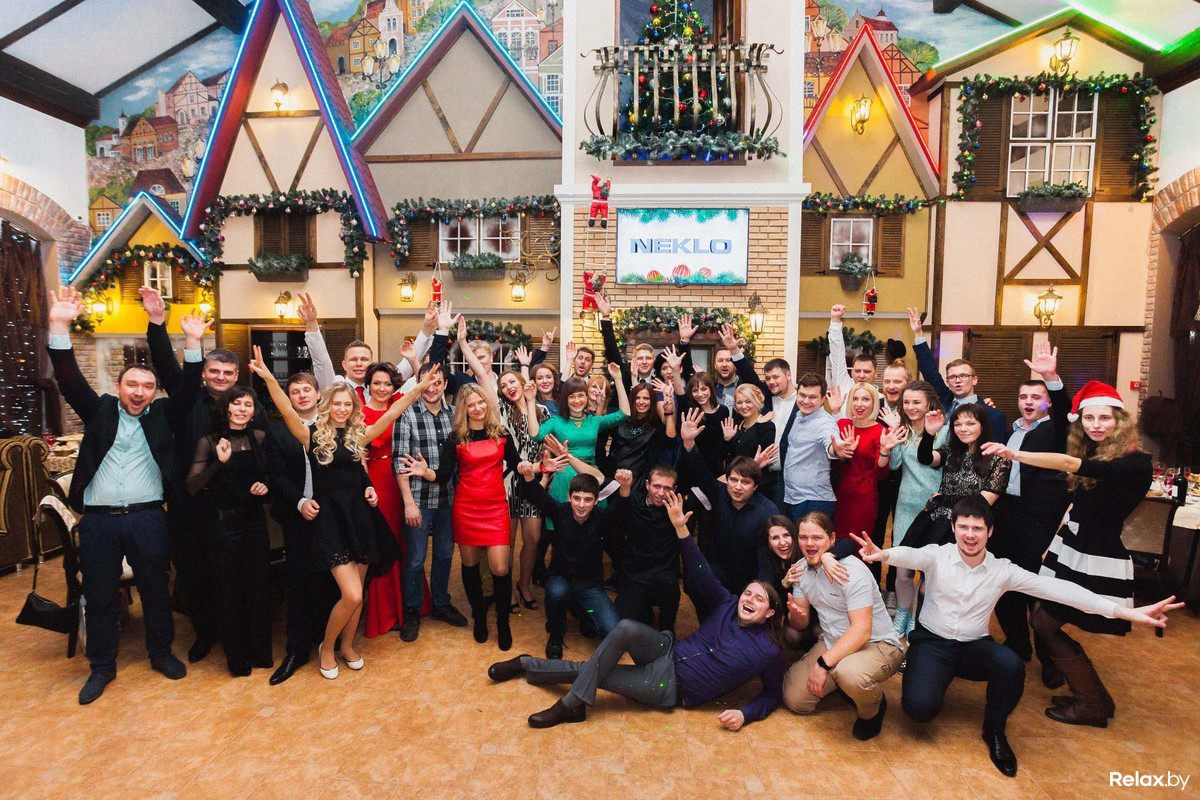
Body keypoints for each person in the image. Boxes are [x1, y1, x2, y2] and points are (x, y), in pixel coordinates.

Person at [850, 497, 1183, 777]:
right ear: (953, 529)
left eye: (977, 528)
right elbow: (910, 555)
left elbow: (1060, 590)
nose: (970, 535)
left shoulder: (1002, 570)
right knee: (919, 710)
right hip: (933, 644)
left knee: (1011, 664)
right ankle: (932, 673)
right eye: (964, 527)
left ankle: (994, 730)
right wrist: (884, 554)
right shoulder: (937, 556)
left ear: (989, 532)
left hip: (974, 647)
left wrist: (1125, 612)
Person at [487, 492, 787, 731]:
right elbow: (700, 569)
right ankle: (570, 702)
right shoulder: (726, 604)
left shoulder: (768, 651)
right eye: (748, 593)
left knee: (593, 672)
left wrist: (745, 714)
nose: (749, 599)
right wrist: (681, 528)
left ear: (770, 613)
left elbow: (772, 695)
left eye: (758, 599)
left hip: (671, 686)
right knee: (625, 627)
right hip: (666, 649)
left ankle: (542, 679)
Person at [46, 287, 204, 704]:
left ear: (154, 391)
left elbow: (190, 390)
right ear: (118, 386)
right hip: (98, 521)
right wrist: (59, 325)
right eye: (132, 384)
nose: (139, 391)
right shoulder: (98, 410)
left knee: (155, 589)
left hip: (148, 517)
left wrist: (191, 342)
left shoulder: (164, 414)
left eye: (147, 386)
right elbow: (68, 378)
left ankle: (161, 653)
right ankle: (101, 666)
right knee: (99, 594)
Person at [982, 380, 1154, 727]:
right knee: (1044, 621)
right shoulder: (1100, 451)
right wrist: (1056, 539)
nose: (1096, 425)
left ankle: (1092, 701)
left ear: (1120, 420)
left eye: (1104, 418)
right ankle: (1093, 698)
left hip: (1097, 556)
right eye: (1089, 418)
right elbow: (1077, 504)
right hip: (1073, 547)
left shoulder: (1134, 462)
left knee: (1044, 622)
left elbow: (1066, 463)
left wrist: (1015, 454)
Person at [251, 347, 430, 678]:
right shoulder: (310, 436)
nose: (342, 408)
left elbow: (392, 413)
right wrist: (268, 378)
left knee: (358, 595)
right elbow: (286, 409)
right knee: (351, 593)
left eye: (348, 404)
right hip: (330, 522)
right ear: (327, 405)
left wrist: (417, 388)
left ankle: (348, 646)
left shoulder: (359, 435)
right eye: (337, 404)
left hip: (360, 519)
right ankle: (327, 647)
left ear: (353, 408)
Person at [141, 287, 266, 665]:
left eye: (227, 373)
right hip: (191, 502)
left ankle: (236, 634)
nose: (221, 377)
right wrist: (158, 323)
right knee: (194, 572)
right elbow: (165, 364)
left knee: (233, 575)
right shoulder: (186, 399)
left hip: (236, 507)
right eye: (214, 371)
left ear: (236, 376)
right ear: (204, 374)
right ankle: (204, 632)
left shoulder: (250, 406)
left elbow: (262, 450)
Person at [398, 382, 523, 650]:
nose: (477, 408)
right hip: (467, 509)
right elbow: (443, 475)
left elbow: (516, 464)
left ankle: (503, 622)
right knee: (470, 565)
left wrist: (532, 468)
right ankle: (480, 617)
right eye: (471, 405)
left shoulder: (501, 433)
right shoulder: (456, 438)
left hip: (496, 509)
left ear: (487, 403)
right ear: (463, 409)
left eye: (480, 402)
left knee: (500, 568)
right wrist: (425, 471)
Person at [781, 511, 904, 741]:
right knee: (795, 700)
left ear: (832, 540)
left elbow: (862, 631)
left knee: (849, 674)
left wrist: (822, 665)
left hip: (876, 643)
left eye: (817, 537)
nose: (809, 544)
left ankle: (874, 708)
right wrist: (796, 616)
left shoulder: (851, 571)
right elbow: (802, 622)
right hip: (833, 640)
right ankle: (843, 682)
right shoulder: (800, 569)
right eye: (803, 537)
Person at [989, 341, 1070, 688]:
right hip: (1006, 516)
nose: (1029, 402)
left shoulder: (1055, 431)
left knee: (1040, 591)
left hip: (1039, 521)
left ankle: (1050, 660)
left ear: (1047, 402)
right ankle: (1018, 643)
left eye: (1036, 397)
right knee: (1005, 585)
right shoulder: (1010, 431)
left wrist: (1051, 377)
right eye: (1024, 397)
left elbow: (1066, 411)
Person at [184, 387, 272, 677]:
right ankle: (237, 659)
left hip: (255, 523)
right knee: (229, 590)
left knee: (258, 587)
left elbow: (267, 476)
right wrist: (218, 464)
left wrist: (265, 486)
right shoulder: (209, 442)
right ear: (226, 408)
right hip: (223, 524)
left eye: (248, 404)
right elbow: (193, 486)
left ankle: (260, 653)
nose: (243, 409)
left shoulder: (259, 437)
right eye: (237, 403)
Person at [264, 372, 335, 684]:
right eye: (295, 391)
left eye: (307, 389)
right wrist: (300, 502)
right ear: (288, 398)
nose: (302, 395)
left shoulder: (334, 425)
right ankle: (295, 650)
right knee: (297, 583)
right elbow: (277, 475)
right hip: (297, 516)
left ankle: (328, 642)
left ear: (318, 394)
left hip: (332, 517)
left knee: (330, 581)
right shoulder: (279, 432)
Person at [392, 363, 469, 642]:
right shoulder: (407, 414)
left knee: (445, 555)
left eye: (438, 382)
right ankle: (412, 611)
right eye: (427, 382)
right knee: (415, 560)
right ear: (419, 384)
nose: (432, 388)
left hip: (449, 499)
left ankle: (440, 603)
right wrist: (408, 503)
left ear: (445, 385)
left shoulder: (455, 415)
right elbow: (399, 463)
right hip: (419, 500)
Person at [519, 460, 618, 659]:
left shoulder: (602, 518)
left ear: (596, 501)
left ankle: (578, 609)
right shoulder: (561, 511)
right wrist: (529, 475)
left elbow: (622, 508)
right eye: (577, 498)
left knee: (611, 629)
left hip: (589, 584)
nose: (581, 505)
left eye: (588, 500)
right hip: (561, 578)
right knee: (556, 593)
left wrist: (624, 487)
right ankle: (556, 634)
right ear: (569, 497)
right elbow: (538, 497)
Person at [361, 361, 431, 639]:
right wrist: (368, 486)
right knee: (386, 542)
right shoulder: (360, 413)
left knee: (409, 542)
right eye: (376, 383)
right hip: (380, 482)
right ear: (368, 385)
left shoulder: (401, 404)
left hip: (407, 477)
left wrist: (416, 360)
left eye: (387, 384)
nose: (382, 388)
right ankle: (387, 613)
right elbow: (360, 456)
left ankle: (412, 606)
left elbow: (421, 386)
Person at [679, 408, 779, 599]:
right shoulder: (719, 493)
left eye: (745, 482)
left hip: (748, 580)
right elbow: (700, 472)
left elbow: (766, 562)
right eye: (733, 480)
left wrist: (759, 594)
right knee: (693, 584)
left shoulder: (768, 512)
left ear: (755, 486)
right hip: (719, 574)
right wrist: (689, 442)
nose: (738, 487)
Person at [884, 381, 946, 634]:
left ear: (929, 403)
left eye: (916, 402)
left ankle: (918, 618)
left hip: (934, 509)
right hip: (906, 507)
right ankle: (903, 614)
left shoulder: (943, 430)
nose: (910, 407)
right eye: (906, 402)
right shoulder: (904, 430)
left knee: (929, 571)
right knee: (903, 572)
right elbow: (894, 466)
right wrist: (893, 437)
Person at [906, 403, 1009, 548]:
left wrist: (942, 499)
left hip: (970, 526)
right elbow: (925, 459)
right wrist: (929, 434)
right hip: (939, 520)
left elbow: (982, 501)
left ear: (983, 425)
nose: (963, 429)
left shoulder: (999, 458)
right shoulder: (951, 451)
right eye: (957, 424)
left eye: (970, 424)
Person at [299, 292, 435, 397]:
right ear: (344, 365)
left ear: (371, 364)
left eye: (364, 359)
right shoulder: (335, 386)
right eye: (354, 359)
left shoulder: (380, 386)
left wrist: (427, 328)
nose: (359, 363)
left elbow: (407, 365)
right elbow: (322, 363)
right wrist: (311, 324)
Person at [495, 367, 551, 609]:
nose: (509, 387)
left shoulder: (542, 410)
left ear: (521, 381)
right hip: (507, 481)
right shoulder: (500, 410)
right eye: (504, 385)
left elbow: (546, 446)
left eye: (512, 381)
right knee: (507, 541)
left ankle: (524, 585)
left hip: (534, 479)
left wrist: (544, 479)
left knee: (533, 539)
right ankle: (506, 591)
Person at [534, 364, 629, 505]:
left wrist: (618, 379)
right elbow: (535, 435)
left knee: (595, 515)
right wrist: (530, 400)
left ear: (586, 397)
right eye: (572, 397)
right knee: (564, 515)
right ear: (565, 400)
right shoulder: (556, 422)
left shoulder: (594, 421)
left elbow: (624, 413)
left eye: (581, 396)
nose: (577, 400)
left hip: (590, 474)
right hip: (565, 476)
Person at [907, 307, 1007, 442]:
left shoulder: (991, 414)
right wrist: (918, 333)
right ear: (948, 382)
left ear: (974, 380)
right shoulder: (944, 400)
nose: (958, 380)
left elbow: (995, 450)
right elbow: (929, 371)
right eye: (953, 377)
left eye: (964, 376)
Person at [611, 464, 683, 633]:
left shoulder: (678, 510)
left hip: (662, 577)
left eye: (667, 488)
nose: (660, 493)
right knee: (621, 626)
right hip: (635, 577)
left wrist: (680, 523)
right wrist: (624, 488)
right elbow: (614, 522)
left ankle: (667, 630)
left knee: (669, 582)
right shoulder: (634, 502)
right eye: (656, 486)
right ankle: (644, 610)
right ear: (647, 484)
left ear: (674, 489)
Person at [830, 383, 891, 537]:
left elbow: (881, 473)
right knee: (837, 539)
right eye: (855, 399)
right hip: (840, 494)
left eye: (865, 399)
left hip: (864, 497)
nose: (859, 404)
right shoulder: (843, 424)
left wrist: (885, 451)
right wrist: (844, 452)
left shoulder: (880, 431)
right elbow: (834, 462)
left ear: (874, 403)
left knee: (858, 541)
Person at [779, 373, 840, 522]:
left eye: (812, 397)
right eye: (802, 395)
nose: (806, 401)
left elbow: (830, 443)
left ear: (823, 399)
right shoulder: (798, 415)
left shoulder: (825, 422)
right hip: (793, 498)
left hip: (814, 501)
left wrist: (835, 449)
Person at [606, 380, 677, 484]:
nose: (641, 402)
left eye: (646, 398)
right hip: (614, 475)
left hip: (640, 480)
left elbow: (671, 440)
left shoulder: (655, 424)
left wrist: (669, 412)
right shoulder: (621, 419)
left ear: (652, 401)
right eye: (637, 398)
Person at [722, 384, 777, 496]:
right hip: (735, 485)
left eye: (748, 401)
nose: (744, 406)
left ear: (757, 402)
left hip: (756, 488)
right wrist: (728, 440)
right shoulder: (736, 425)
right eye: (739, 402)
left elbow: (758, 458)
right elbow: (731, 457)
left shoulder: (766, 426)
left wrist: (758, 427)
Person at [826, 304, 879, 418]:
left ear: (876, 373)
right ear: (852, 372)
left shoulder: (881, 399)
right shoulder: (843, 385)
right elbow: (837, 355)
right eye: (857, 371)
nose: (861, 375)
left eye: (867, 371)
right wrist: (835, 321)